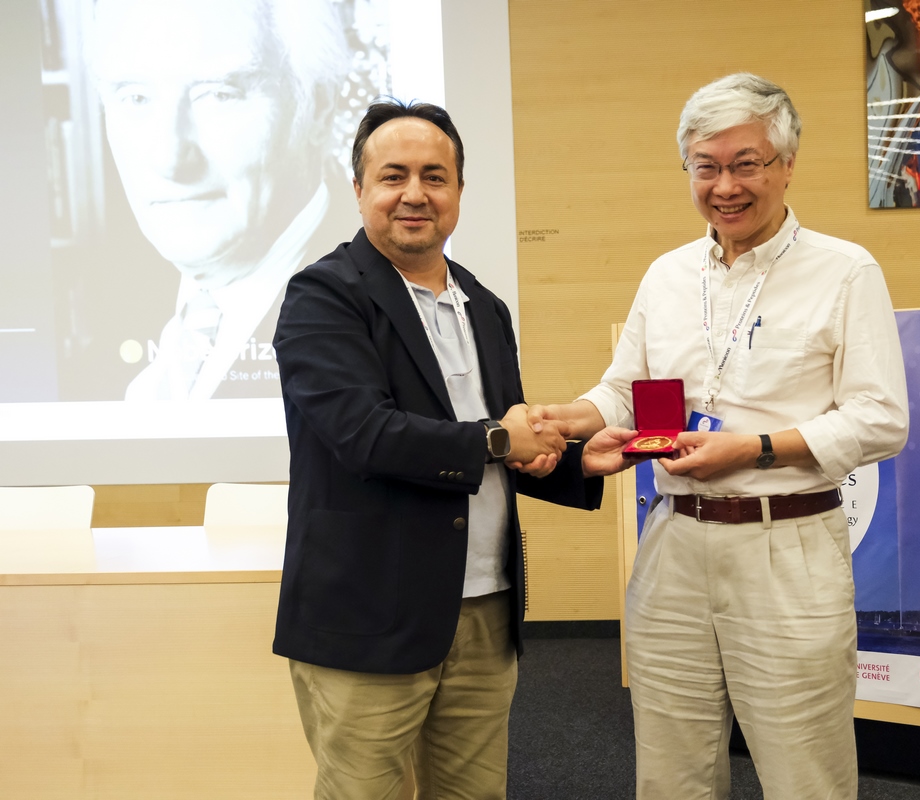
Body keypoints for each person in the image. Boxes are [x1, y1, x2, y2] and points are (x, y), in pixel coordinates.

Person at [532, 73, 910, 799]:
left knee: (805, 775)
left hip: (786, 545)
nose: (725, 186)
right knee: (671, 773)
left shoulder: (844, 271)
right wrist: (569, 418)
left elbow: (880, 417)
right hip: (673, 543)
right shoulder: (667, 275)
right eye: (705, 166)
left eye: (746, 164)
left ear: (787, 165)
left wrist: (756, 448)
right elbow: (624, 390)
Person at [271, 98, 636, 799]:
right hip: (369, 616)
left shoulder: (484, 306)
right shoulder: (323, 296)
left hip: (484, 611)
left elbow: (496, 448)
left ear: (460, 191)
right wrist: (502, 437)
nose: (415, 194)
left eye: (434, 177)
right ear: (359, 189)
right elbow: (366, 435)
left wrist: (571, 459)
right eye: (393, 176)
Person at [86, 0, 355, 400]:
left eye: (218, 95)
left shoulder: (380, 311)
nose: (169, 158)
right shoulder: (109, 296)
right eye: (136, 98)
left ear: (318, 108)